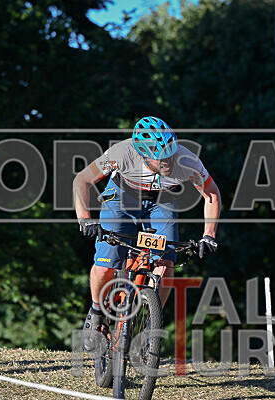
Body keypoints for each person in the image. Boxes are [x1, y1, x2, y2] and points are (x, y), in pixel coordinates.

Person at [73, 116, 221, 348]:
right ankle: (97, 311)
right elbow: (82, 180)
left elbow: (211, 193)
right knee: (105, 264)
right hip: (121, 197)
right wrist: (85, 219)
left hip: (162, 201)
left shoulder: (187, 161)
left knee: (166, 263)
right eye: (161, 158)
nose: (168, 161)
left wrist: (209, 234)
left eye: (170, 154)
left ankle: (151, 321)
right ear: (142, 154)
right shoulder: (122, 153)